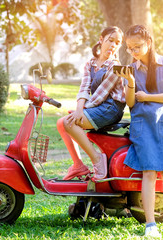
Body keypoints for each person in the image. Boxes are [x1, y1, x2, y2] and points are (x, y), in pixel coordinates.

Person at [116, 24, 163, 237]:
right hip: (143, 125)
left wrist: (147, 96)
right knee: (149, 173)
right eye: (129, 48)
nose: (133, 52)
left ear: (149, 43)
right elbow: (130, 103)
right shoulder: (131, 69)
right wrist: (131, 83)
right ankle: (150, 224)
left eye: (137, 47)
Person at [57, 26, 126, 180]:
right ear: (101, 40)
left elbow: (101, 93)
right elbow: (84, 88)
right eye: (110, 40)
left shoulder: (115, 66)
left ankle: (97, 159)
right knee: (62, 123)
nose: (113, 45)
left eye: (118, 43)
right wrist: (79, 109)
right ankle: (78, 165)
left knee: (70, 123)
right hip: (97, 105)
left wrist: (81, 112)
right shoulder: (90, 64)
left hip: (111, 108)